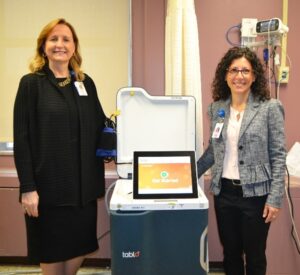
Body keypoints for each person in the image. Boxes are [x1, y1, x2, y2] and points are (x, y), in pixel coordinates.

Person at [13, 18, 107, 275]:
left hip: (82, 192)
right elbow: (21, 140)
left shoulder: (85, 83)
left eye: (66, 39)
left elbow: (100, 124)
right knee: (52, 257)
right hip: (48, 192)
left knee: (78, 251)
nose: (60, 45)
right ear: (43, 47)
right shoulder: (31, 84)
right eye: (53, 39)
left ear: (74, 47)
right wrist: (28, 188)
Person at [197, 47, 286, 275]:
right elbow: (213, 152)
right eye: (234, 70)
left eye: (245, 70)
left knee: (255, 256)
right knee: (231, 254)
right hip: (224, 194)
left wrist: (275, 198)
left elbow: (278, 155)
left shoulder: (269, 108)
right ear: (225, 75)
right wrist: (186, 174)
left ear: (254, 76)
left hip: (256, 196)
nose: (239, 76)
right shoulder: (217, 109)